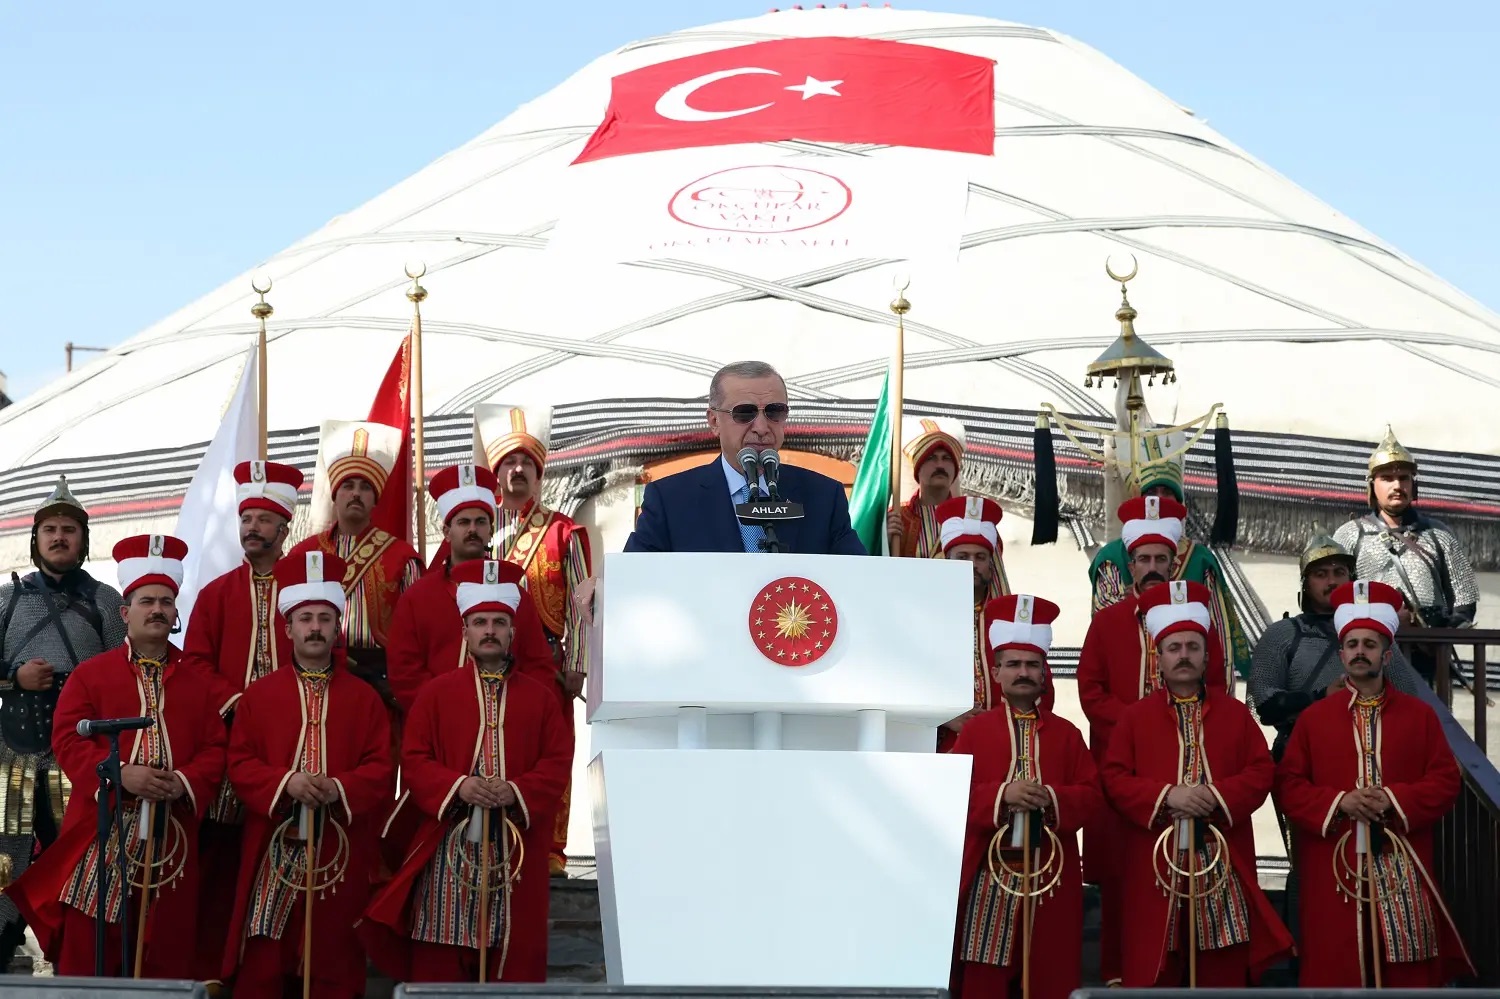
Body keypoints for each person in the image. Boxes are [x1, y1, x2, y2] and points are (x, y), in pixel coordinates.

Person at [6, 535, 227, 977]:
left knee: (165, 947)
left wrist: (180, 781)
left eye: (166, 602)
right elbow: (68, 738)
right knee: (92, 949)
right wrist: (120, 774)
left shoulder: (201, 682)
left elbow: (216, 747)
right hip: (102, 829)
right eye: (147, 601)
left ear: (176, 613)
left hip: (173, 833)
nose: (157, 610)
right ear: (125, 613)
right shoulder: (91, 675)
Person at [360, 558, 573, 983]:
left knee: (512, 956)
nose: (489, 630)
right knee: (440, 956)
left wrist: (516, 791)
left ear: (513, 632)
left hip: (516, 849)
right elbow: (415, 759)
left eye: (499, 622)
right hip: (448, 845)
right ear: (465, 631)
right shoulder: (436, 694)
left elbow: (556, 761)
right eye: (480, 623)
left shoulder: (541, 699)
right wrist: (459, 786)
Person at [1274, 580, 1473, 987]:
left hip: (1402, 859)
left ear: (1386, 653)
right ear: (1342, 653)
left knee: (1405, 970)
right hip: (1333, 865)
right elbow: (1289, 786)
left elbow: (1444, 781)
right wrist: (1341, 803)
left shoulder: (1420, 716)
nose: (1360, 651)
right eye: (1352, 644)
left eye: (1370, 644)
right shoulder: (1313, 719)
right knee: (1336, 964)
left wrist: (1391, 799)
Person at [1100, 580, 1293, 987]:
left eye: (1193, 647)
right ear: (1159, 659)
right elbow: (1114, 779)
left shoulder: (1236, 715)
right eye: (1174, 648)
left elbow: (1260, 771)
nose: (1184, 655)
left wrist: (1213, 796)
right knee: (1157, 967)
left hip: (1222, 858)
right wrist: (1168, 796)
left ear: (1207, 657)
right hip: (1155, 861)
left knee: (1221, 969)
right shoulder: (1134, 718)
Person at [222, 551, 393, 998]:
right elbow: (240, 763)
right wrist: (287, 783)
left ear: (337, 628)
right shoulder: (259, 695)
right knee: (265, 954)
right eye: (305, 618)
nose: (314, 627)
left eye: (324, 618)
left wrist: (338, 787)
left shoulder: (365, 699)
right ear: (288, 628)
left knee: (334, 951)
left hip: (341, 845)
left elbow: (380, 767)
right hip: (274, 842)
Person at [1076, 495, 1227, 985]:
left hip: (1188, 768)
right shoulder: (1107, 623)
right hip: (1119, 770)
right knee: (1121, 872)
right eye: (1143, 559)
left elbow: (1217, 686)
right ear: (1130, 563)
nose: (1153, 567)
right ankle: (1118, 973)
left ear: (1175, 562)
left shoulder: (1198, 625)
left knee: (1186, 867)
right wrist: (1139, 726)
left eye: (1162, 558)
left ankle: (1179, 970)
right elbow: (1090, 691)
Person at [181, 459, 303, 982]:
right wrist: (237, 703)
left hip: (295, 746)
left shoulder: (306, 590)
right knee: (221, 857)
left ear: (284, 528)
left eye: (263, 520)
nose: (252, 528)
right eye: (246, 518)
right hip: (230, 745)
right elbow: (195, 663)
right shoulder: (216, 594)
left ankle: (271, 971)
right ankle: (213, 969)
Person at [0, 476, 126, 969]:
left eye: (68, 530)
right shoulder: (8, 600)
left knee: (77, 858)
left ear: (82, 540)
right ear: (36, 539)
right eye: (50, 529)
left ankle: (75, 963)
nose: (59, 537)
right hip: (12, 758)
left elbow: (123, 674)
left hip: (76, 757)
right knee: (5, 859)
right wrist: (14, 678)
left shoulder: (106, 602)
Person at [952, 594, 1100, 999]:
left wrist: (1048, 798)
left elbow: (1091, 796)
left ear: (1044, 673)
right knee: (986, 978)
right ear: (996, 671)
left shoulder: (1068, 734)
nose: (1023, 672)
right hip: (989, 875)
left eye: (1033, 664)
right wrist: (1004, 795)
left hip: (1052, 874)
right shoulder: (974, 732)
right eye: (1014, 664)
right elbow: (951, 793)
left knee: (1049, 973)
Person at [475, 404, 595, 876]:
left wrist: (577, 663)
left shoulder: (564, 531)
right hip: (486, 658)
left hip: (544, 662)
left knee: (550, 754)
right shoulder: (480, 530)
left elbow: (581, 605)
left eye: (527, 462)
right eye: (509, 461)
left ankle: (550, 849)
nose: (518, 469)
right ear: (496, 472)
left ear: (540, 472)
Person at [623, 361, 865, 555]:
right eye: (744, 413)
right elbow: (633, 579)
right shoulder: (670, 500)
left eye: (774, 412)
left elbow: (858, 578)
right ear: (714, 421)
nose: (761, 427)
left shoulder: (824, 496)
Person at [387, 464, 554, 713]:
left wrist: (514, 709)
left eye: (480, 522)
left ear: (490, 530)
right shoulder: (417, 598)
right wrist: (444, 708)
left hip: (505, 720)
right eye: (463, 522)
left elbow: (538, 666)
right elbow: (404, 671)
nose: (472, 529)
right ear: (446, 531)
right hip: (437, 722)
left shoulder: (516, 597)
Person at [1250, 534, 1420, 763]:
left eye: (1339, 572)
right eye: (1321, 575)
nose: (1332, 581)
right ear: (1306, 584)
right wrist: (1321, 696)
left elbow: (1407, 698)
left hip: (1369, 752)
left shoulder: (1375, 635)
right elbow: (1265, 705)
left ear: (1351, 578)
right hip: (1302, 754)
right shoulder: (1283, 634)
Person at [289, 420, 423, 708]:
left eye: (365, 487)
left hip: (380, 679)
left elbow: (415, 632)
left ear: (375, 499)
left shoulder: (402, 558)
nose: (356, 494)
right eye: (347, 486)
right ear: (335, 495)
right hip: (316, 669)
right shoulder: (303, 554)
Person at [1333, 427, 1478, 678]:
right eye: (1387, 478)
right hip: (1369, 652)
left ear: (1413, 484)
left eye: (1404, 478)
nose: (1397, 485)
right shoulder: (1351, 535)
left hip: (1428, 655)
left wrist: (1437, 632)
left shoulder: (1438, 534)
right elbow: (1335, 600)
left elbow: (1464, 601)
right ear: (1372, 485)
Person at [1088, 460, 1251, 680]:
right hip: (1127, 680)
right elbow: (1107, 623)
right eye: (1151, 492)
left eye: (1167, 492)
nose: (1159, 499)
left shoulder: (1200, 559)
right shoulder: (1111, 557)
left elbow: (1219, 634)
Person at [931, 496, 1023, 752]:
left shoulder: (1012, 620)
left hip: (1002, 744)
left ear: (991, 565)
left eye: (980, 556)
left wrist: (995, 721)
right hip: (939, 746)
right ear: (947, 559)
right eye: (963, 556)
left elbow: (1039, 689)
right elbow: (903, 681)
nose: (972, 564)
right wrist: (944, 717)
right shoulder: (925, 617)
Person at [887, 416, 966, 560]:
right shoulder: (896, 518)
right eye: (931, 458)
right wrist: (884, 540)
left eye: (946, 458)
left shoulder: (972, 519)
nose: (940, 465)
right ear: (917, 469)